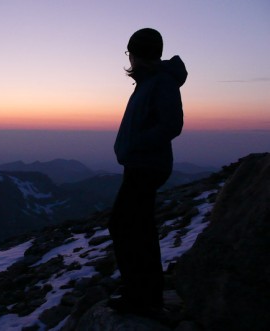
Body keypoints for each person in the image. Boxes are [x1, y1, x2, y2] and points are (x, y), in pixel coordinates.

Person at [108, 28, 187, 315]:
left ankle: (141, 297)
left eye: (131, 51)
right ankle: (143, 293)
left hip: (147, 165)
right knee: (137, 227)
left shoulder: (161, 81)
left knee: (124, 225)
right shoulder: (148, 82)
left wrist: (136, 145)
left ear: (135, 53)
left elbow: (171, 124)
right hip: (142, 163)